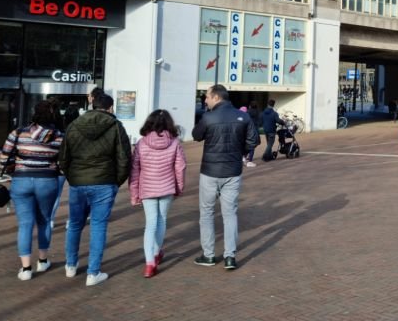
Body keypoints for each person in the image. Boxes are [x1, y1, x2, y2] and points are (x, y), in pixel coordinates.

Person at [60, 93, 131, 286]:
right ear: (110, 107)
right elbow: (124, 158)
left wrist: (72, 177)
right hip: (104, 182)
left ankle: (70, 265)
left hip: (78, 182)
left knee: (75, 224)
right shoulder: (116, 127)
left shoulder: (74, 126)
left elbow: (64, 157)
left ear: (92, 104)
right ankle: (93, 272)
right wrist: (116, 181)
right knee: (98, 226)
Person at [191, 85, 258, 270]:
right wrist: (240, 152)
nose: (205, 100)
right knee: (230, 214)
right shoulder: (243, 116)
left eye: (206, 97)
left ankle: (209, 255)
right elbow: (254, 140)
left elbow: (196, 135)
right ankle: (230, 256)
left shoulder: (208, 117)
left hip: (210, 172)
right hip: (233, 171)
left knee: (206, 213)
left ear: (215, 97)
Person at [2, 101, 64, 280]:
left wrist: (16, 169)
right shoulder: (60, 136)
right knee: (44, 220)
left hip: (21, 181)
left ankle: (26, 269)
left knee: (25, 224)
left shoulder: (18, 132)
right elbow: (63, 162)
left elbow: (4, 157)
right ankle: (43, 261)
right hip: (47, 181)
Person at [129, 109, 186, 278]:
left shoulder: (141, 143)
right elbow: (180, 167)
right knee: (161, 220)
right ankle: (155, 253)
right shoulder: (175, 142)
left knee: (151, 223)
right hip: (167, 187)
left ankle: (149, 263)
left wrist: (134, 193)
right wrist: (179, 187)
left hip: (147, 188)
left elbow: (134, 170)